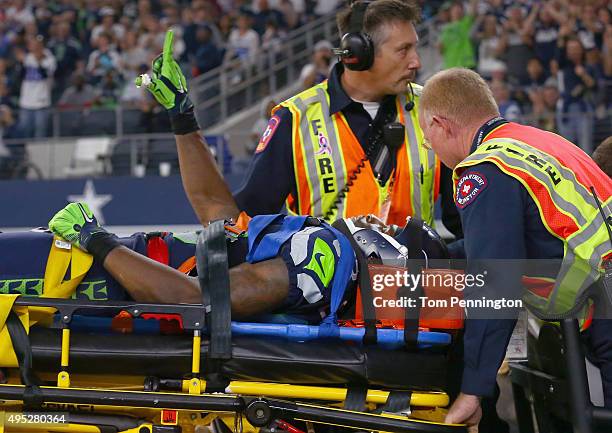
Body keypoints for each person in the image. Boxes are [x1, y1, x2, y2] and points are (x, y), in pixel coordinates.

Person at [418, 68, 612, 430]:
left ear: (441, 124)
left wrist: (472, 390)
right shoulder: (540, 140)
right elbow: (531, 235)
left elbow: (495, 284)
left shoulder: (484, 168)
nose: (435, 154)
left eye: (429, 142)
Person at [225, 0, 460, 236]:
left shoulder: (434, 110)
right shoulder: (294, 119)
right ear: (359, 53)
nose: (416, 61)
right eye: (403, 50)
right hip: (328, 274)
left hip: (413, 272)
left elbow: (464, 221)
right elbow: (248, 218)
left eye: (415, 48)